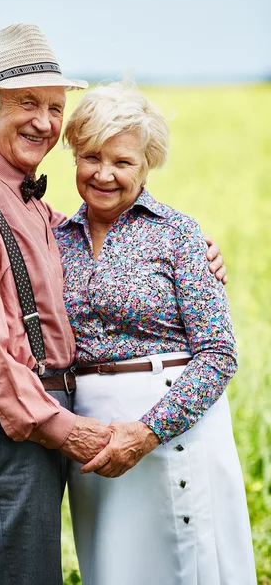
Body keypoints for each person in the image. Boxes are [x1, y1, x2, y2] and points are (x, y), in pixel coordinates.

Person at [0, 25, 226, 585]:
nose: (44, 122)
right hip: (0, 421)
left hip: (33, 420)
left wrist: (196, 253)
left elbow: (103, 253)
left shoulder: (36, 208)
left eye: (54, 107)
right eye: (27, 103)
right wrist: (62, 428)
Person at [54, 84, 256, 585]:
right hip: (94, 440)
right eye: (91, 157)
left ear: (147, 164)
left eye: (121, 161)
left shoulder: (179, 234)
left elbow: (219, 353)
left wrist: (146, 433)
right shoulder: (52, 240)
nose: (103, 174)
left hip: (172, 432)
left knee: (190, 566)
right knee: (116, 569)